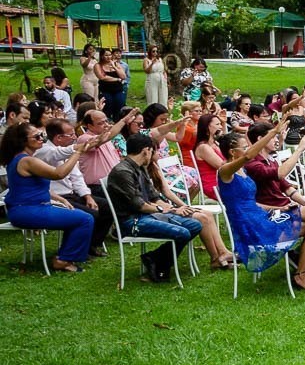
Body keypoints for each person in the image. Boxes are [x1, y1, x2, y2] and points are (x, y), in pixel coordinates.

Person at [217, 111, 305, 291]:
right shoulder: (226, 171)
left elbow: (253, 203)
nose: (248, 148)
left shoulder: (244, 173)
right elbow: (249, 157)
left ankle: (303, 273)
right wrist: (275, 132)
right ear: (232, 152)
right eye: (244, 146)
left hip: (263, 216)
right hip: (251, 228)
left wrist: (282, 207)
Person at [105, 134, 204, 282]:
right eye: (152, 151)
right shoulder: (122, 172)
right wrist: (167, 210)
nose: (152, 155)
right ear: (146, 150)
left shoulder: (140, 168)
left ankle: (154, 258)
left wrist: (175, 208)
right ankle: (160, 266)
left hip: (148, 215)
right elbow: (141, 205)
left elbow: (154, 197)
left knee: (195, 225)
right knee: (182, 233)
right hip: (131, 221)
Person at [1, 122, 98, 272]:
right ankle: (63, 260)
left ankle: (66, 255)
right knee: (85, 219)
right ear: (23, 141)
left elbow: (30, 187)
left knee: (78, 217)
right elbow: (58, 173)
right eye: (37, 136)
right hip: (28, 211)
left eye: (42, 135)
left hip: (27, 208)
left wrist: (60, 198)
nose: (42, 138)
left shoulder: (20, 159)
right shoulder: (27, 161)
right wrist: (77, 152)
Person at [37, 118, 115, 257]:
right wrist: (83, 146)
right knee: (89, 214)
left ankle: (92, 244)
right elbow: (58, 153)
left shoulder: (68, 153)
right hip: (55, 197)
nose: (75, 137)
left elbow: (76, 176)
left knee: (107, 207)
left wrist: (87, 196)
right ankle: (72, 251)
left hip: (72, 194)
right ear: (59, 137)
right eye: (71, 135)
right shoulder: (45, 151)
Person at [242, 122, 305, 235]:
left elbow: (287, 188)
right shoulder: (253, 164)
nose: (277, 140)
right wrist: (299, 149)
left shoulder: (271, 159)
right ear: (261, 139)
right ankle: (298, 252)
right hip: (274, 212)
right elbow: (280, 174)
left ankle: (297, 252)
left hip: (287, 206)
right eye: (273, 137)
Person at [94, 47, 126, 119]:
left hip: (118, 90)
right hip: (105, 90)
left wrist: (114, 67)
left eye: (110, 55)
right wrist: (117, 79)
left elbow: (123, 76)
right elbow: (102, 77)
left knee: (119, 106)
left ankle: (117, 121)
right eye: (106, 55)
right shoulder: (98, 65)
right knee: (107, 107)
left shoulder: (116, 64)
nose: (108, 57)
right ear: (102, 56)